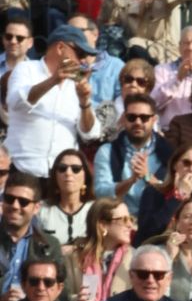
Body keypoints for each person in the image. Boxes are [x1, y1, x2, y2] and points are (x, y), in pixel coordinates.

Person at [6, 25, 101, 180]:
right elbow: (16, 103)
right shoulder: (26, 69)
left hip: (61, 177)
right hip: (22, 169)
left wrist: (85, 103)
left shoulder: (77, 84)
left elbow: (90, 133)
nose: (83, 61)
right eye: (80, 53)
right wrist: (53, 80)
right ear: (60, 48)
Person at [93, 90, 171, 212]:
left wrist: (148, 176)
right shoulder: (106, 152)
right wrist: (131, 181)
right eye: (132, 117)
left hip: (157, 224)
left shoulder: (170, 152)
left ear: (154, 120)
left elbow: (174, 194)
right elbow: (101, 193)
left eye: (144, 118)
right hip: (118, 222)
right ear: (124, 118)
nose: (137, 122)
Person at [0, 172, 64, 298]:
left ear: (36, 208)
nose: (15, 206)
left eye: (23, 202)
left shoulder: (50, 245)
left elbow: (59, 292)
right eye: (9, 199)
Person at [70, 198, 136, 301]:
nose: (130, 225)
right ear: (103, 225)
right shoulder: (74, 258)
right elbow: (62, 300)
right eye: (124, 220)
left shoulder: (135, 259)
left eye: (131, 219)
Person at [39, 149, 93, 246]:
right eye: (62, 168)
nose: (68, 173)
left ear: (86, 176)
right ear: (55, 176)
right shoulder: (41, 210)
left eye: (75, 169)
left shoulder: (95, 210)